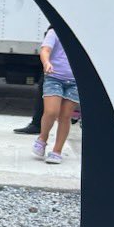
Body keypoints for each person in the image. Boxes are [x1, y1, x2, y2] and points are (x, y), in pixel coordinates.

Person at [32, 26, 79, 164]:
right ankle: (42, 138)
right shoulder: (54, 32)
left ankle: (57, 151)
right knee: (51, 111)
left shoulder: (81, 35)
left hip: (75, 81)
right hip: (54, 77)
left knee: (65, 116)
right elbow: (45, 50)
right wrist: (46, 62)